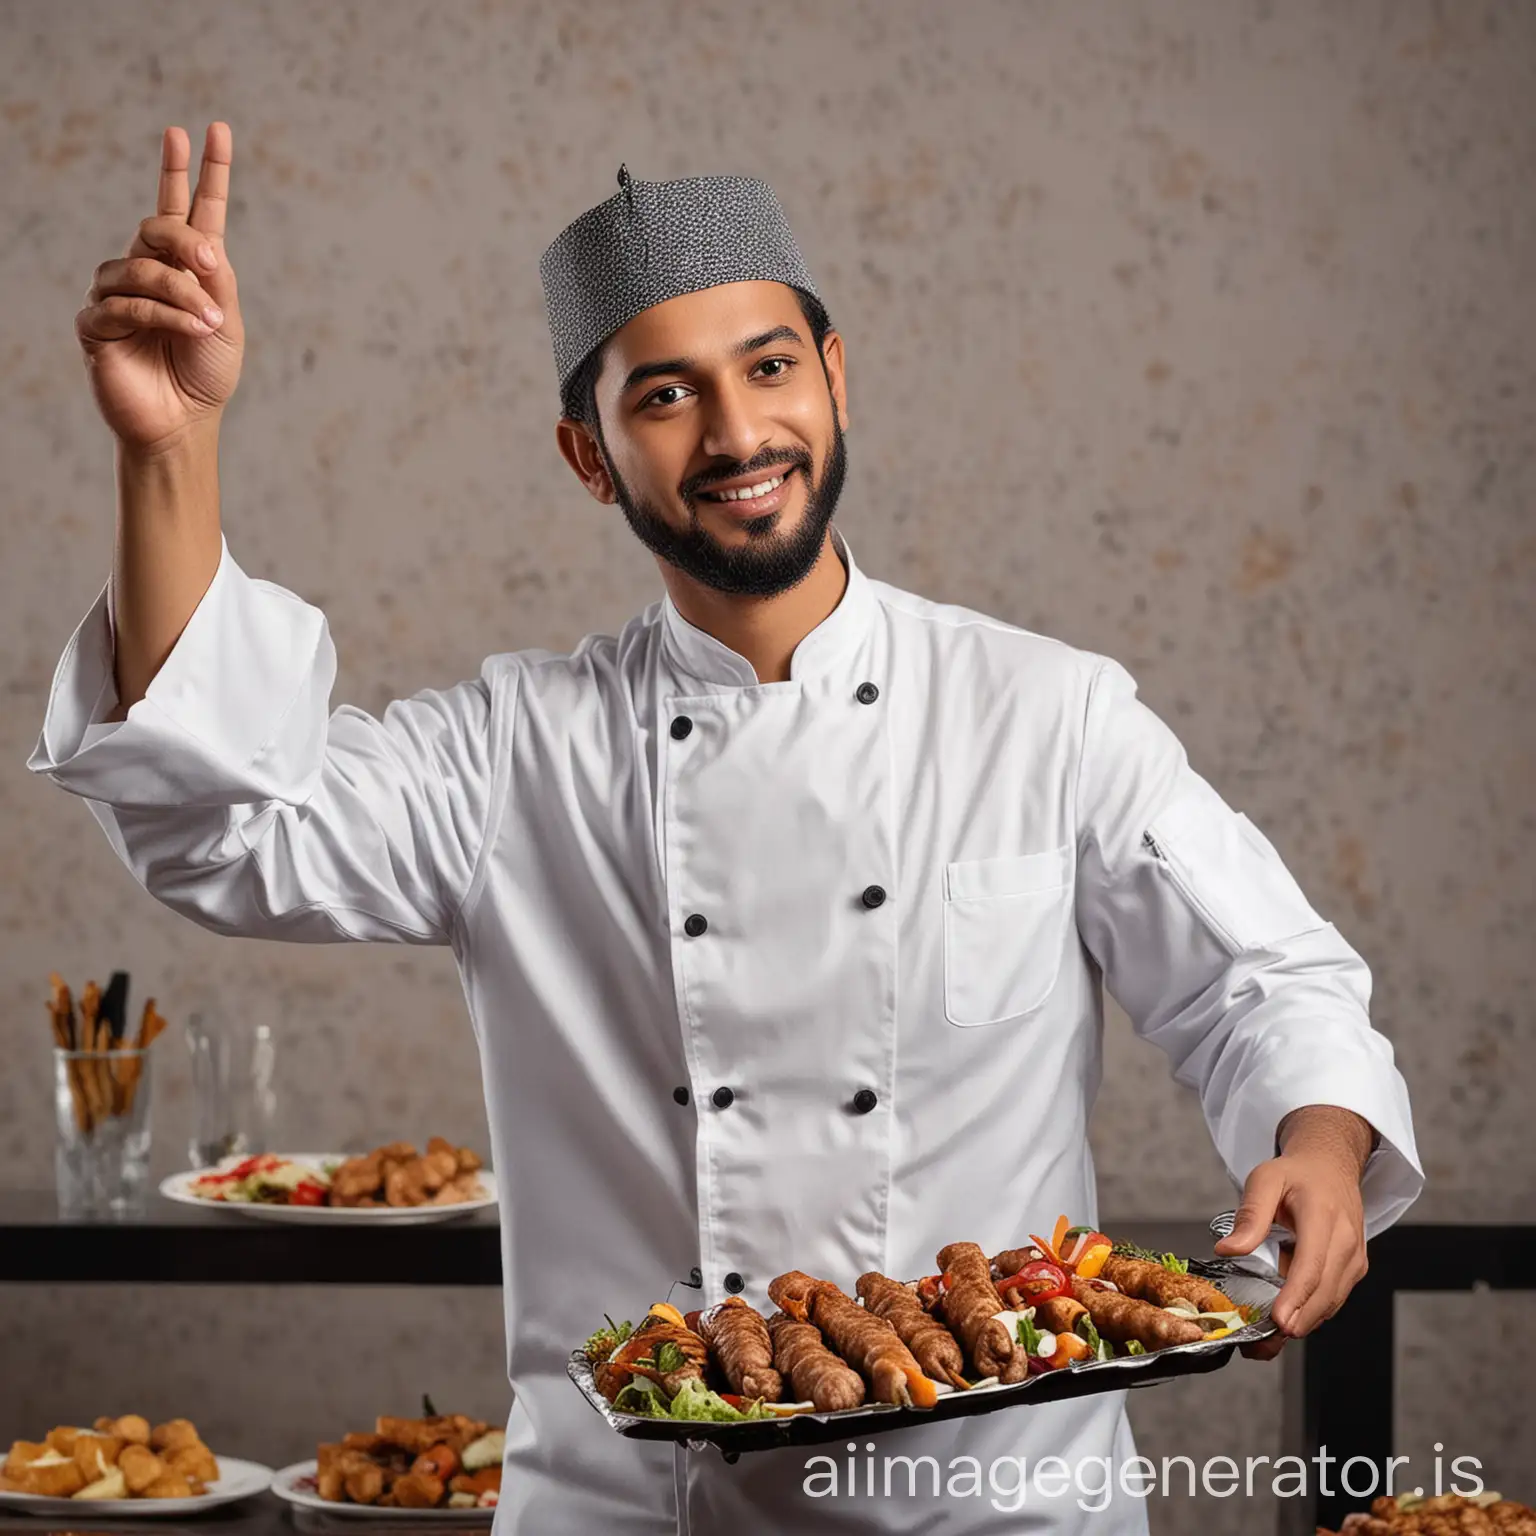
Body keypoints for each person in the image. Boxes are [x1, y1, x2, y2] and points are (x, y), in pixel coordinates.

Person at [33, 122, 1422, 1534]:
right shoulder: (517, 749)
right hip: (634, 1508)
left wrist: (1317, 1142)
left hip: (1003, 1510)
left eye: (768, 368)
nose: (738, 434)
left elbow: (1265, 980)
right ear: (589, 455)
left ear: (836, 378)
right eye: (666, 397)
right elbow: (227, 824)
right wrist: (175, 451)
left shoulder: (1046, 714)